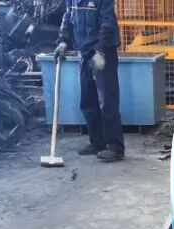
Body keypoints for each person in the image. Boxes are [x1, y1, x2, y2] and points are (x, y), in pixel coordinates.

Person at [55, 0, 124, 162]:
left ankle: (116, 147)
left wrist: (101, 51)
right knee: (88, 100)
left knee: (107, 101)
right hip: (84, 53)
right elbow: (68, 18)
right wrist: (63, 41)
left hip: (102, 53)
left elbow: (108, 23)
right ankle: (97, 142)